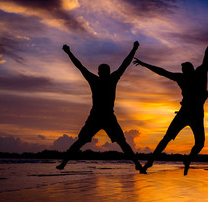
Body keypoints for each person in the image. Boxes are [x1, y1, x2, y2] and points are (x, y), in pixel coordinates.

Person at [133, 27, 208, 175]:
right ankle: (148, 164)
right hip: (187, 113)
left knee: (198, 143)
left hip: (193, 114)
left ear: (189, 69)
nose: (183, 71)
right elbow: (162, 72)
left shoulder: (198, 73)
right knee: (168, 139)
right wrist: (145, 65)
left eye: (184, 68)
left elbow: (207, 54)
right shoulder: (186, 76)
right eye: (182, 69)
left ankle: (187, 159)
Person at [56, 41, 144, 172]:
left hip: (105, 116)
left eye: (105, 71)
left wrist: (134, 49)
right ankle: (63, 163)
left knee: (120, 142)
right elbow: (80, 66)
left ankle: (137, 164)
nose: (104, 73)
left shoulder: (102, 79)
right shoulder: (105, 79)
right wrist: (69, 53)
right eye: (104, 71)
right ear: (101, 72)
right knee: (83, 141)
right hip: (98, 116)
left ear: (101, 72)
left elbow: (124, 64)